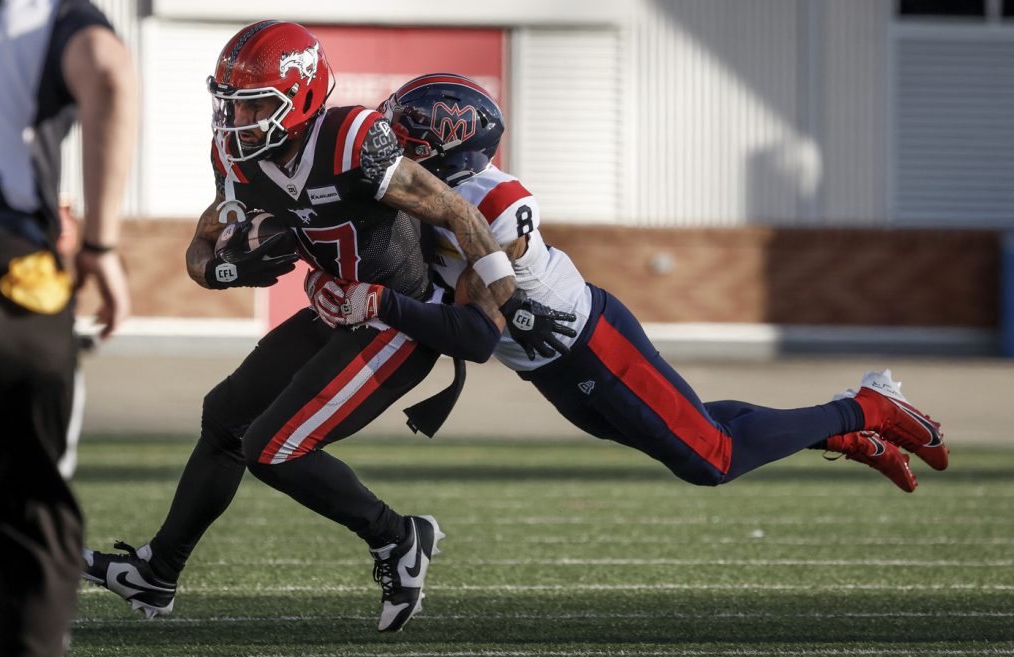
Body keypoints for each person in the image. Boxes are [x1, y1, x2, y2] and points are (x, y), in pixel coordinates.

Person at [82, 21, 574, 634]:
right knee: (225, 417)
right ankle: (157, 573)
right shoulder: (234, 154)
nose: (239, 119)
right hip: (337, 308)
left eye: (257, 103)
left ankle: (399, 538)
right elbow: (200, 252)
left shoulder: (352, 139)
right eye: (232, 103)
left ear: (303, 97)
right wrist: (227, 266)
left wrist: (507, 298)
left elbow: (456, 210)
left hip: (396, 320)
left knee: (273, 447)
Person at [308, 73, 950, 496]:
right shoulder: (426, 193)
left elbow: (480, 326)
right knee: (687, 429)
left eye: (407, 137)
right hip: (550, 364)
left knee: (711, 460)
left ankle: (868, 407)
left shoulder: (492, 201)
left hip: (587, 342)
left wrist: (379, 303)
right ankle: (842, 431)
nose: (391, 148)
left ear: (450, 151)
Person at [0, 0, 136, 654]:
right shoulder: (38, 12)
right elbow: (108, 73)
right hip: (8, 274)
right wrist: (100, 247)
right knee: (30, 516)